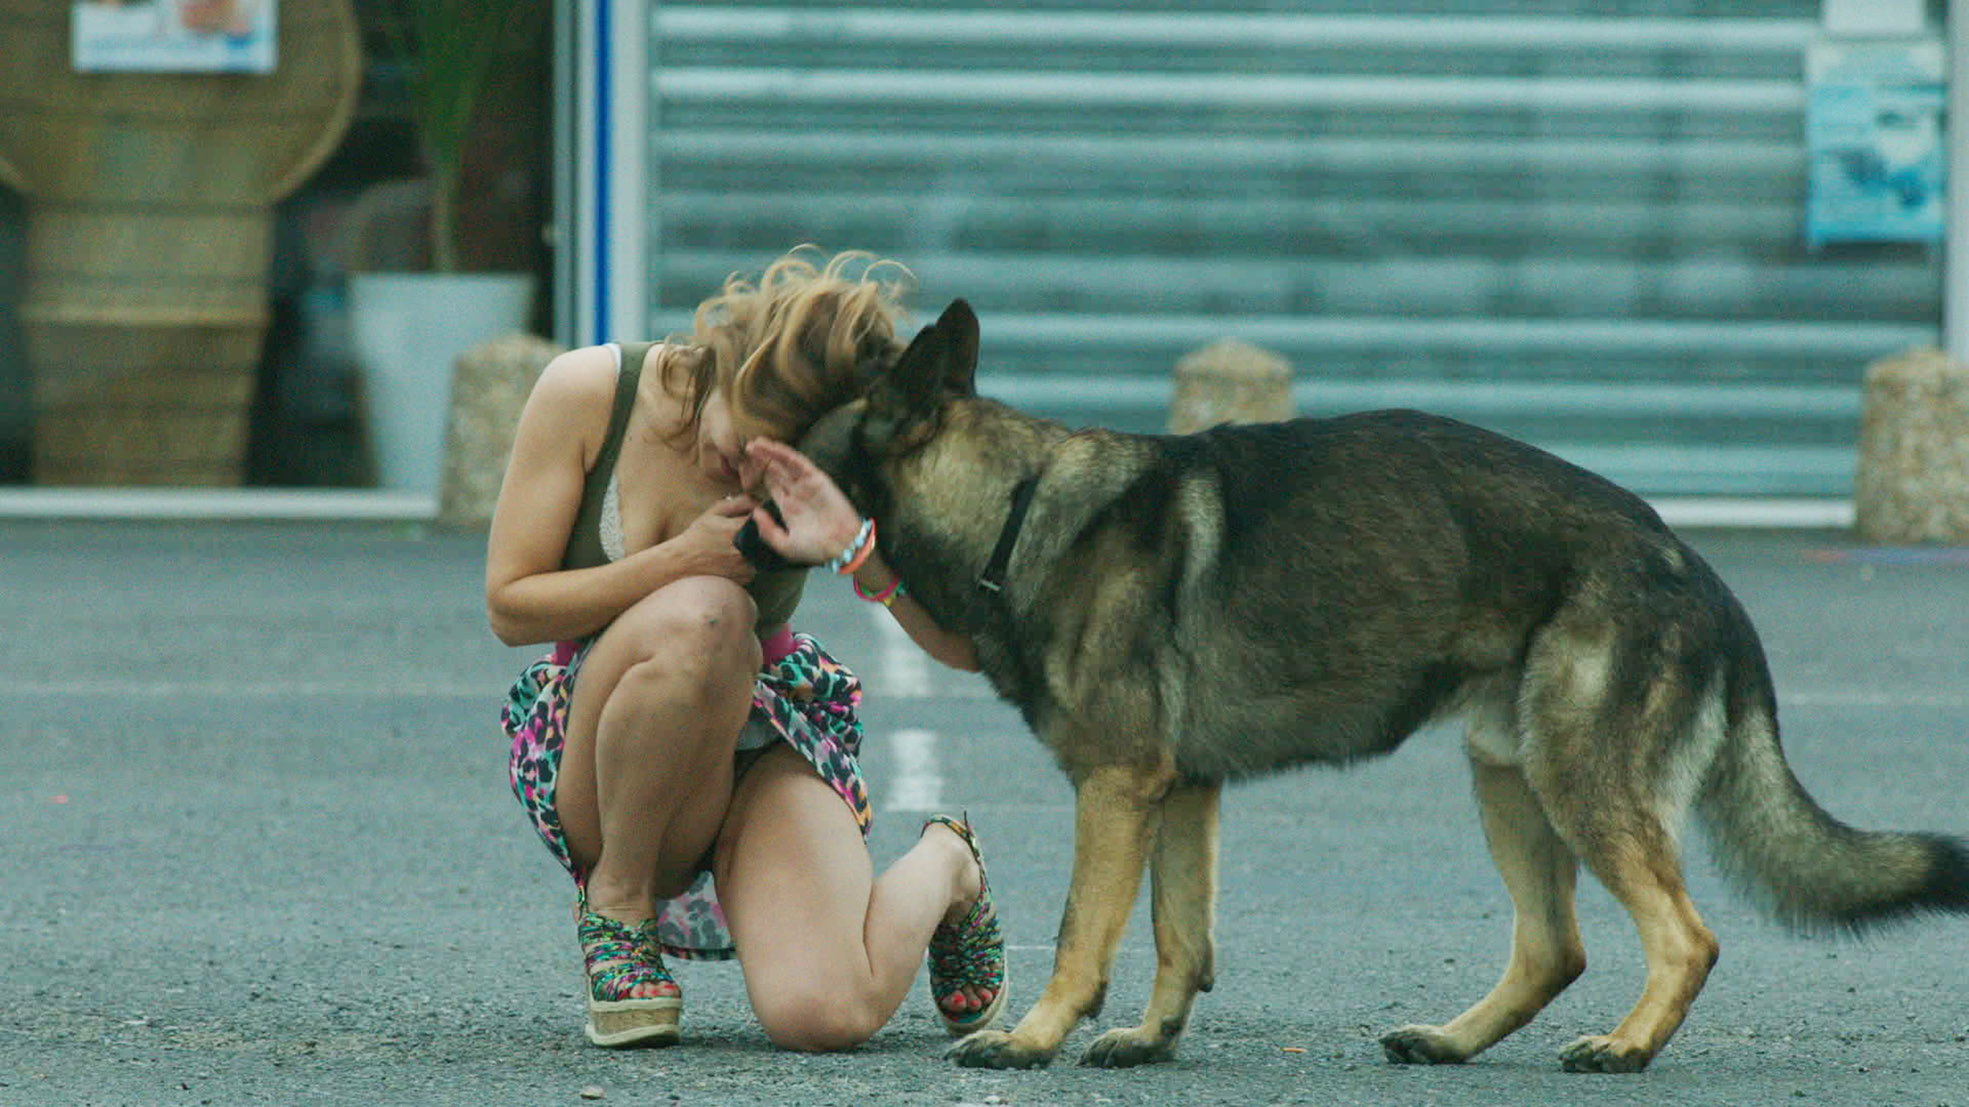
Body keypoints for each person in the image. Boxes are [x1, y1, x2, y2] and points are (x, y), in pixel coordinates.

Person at [485, 249, 1007, 1051]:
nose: (747, 478)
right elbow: (510, 605)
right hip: (608, 737)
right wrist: (680, 559)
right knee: (706, 610)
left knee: (823, 1015)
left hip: (762, 739)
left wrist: (860, 551)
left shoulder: (835, 471)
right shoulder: (592, 391)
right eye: (744, 450)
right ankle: (618, 905)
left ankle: (948, 865)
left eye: (777, 476)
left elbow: (969, 647)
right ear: (732, 364)